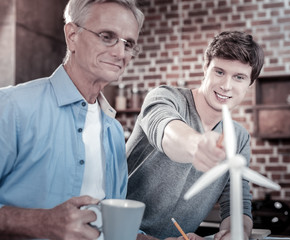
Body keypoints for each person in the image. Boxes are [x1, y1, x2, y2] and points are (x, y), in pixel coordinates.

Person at [0, 0, 144, 239]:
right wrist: (38, 222)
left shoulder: (115, 132)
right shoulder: (12, 106)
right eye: (107, 36)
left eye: (128, 43)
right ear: (72, 35)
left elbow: (112, 223)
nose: (121, 53)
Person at [126, 31, 265, 240]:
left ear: (249, 83)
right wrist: (198, 144)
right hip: (118, 233)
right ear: (205, 68)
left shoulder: (239, 138)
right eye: (219, 72)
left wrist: (237, 233)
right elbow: (167, 131)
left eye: (239, 77)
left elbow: (237, 202)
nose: (226, 85)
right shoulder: (165, 98)